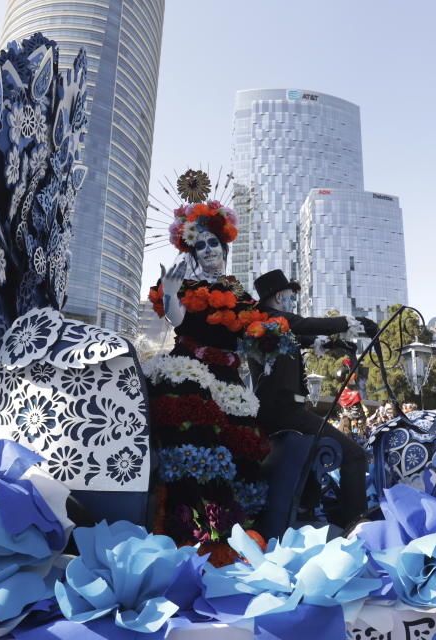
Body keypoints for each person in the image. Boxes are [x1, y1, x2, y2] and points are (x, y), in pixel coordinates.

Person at [145, 176, 271, 563]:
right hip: (192, 375)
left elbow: (251, 336)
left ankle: (238, 534)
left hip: (231, 381)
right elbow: (177, 319)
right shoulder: (185, 285)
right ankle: (196, 533)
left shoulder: (238, 292)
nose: (208, 250)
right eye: (199, 245)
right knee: (197, 452)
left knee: (239, 455)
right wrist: (169, 291)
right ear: (193, 251)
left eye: (213, 243)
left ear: (224, 245)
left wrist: (269, 342)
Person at [248, 268, 379, 529]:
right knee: (355, 455)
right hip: (285, 412)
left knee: (315, 458)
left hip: (281, 411)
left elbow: (304, 337)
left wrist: (333, 344)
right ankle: (356, 524)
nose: (291, 301)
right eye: (288, 296)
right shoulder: (271, 320)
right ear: (277, 297)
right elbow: (304, 325)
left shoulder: (270, 325)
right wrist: (353, 322)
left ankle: (310, 512)